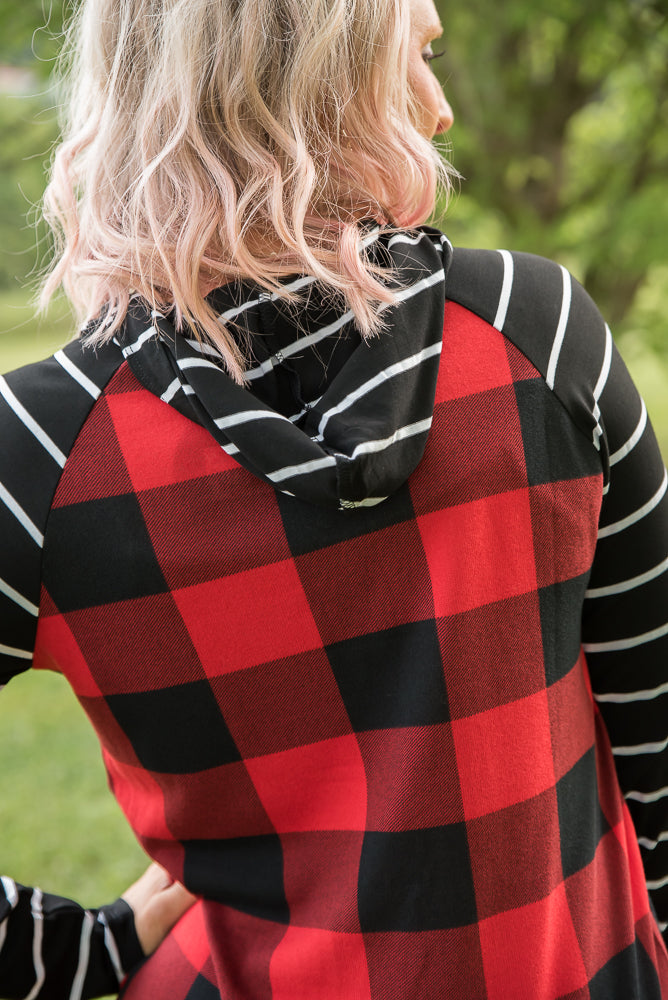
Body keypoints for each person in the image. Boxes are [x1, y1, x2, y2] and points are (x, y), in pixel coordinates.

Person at [1, 0, 667, 996]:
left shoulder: (41, 450)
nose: (438, 111)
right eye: (415, 59)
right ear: (322, 87)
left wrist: (79, 952)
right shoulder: (535, 338)